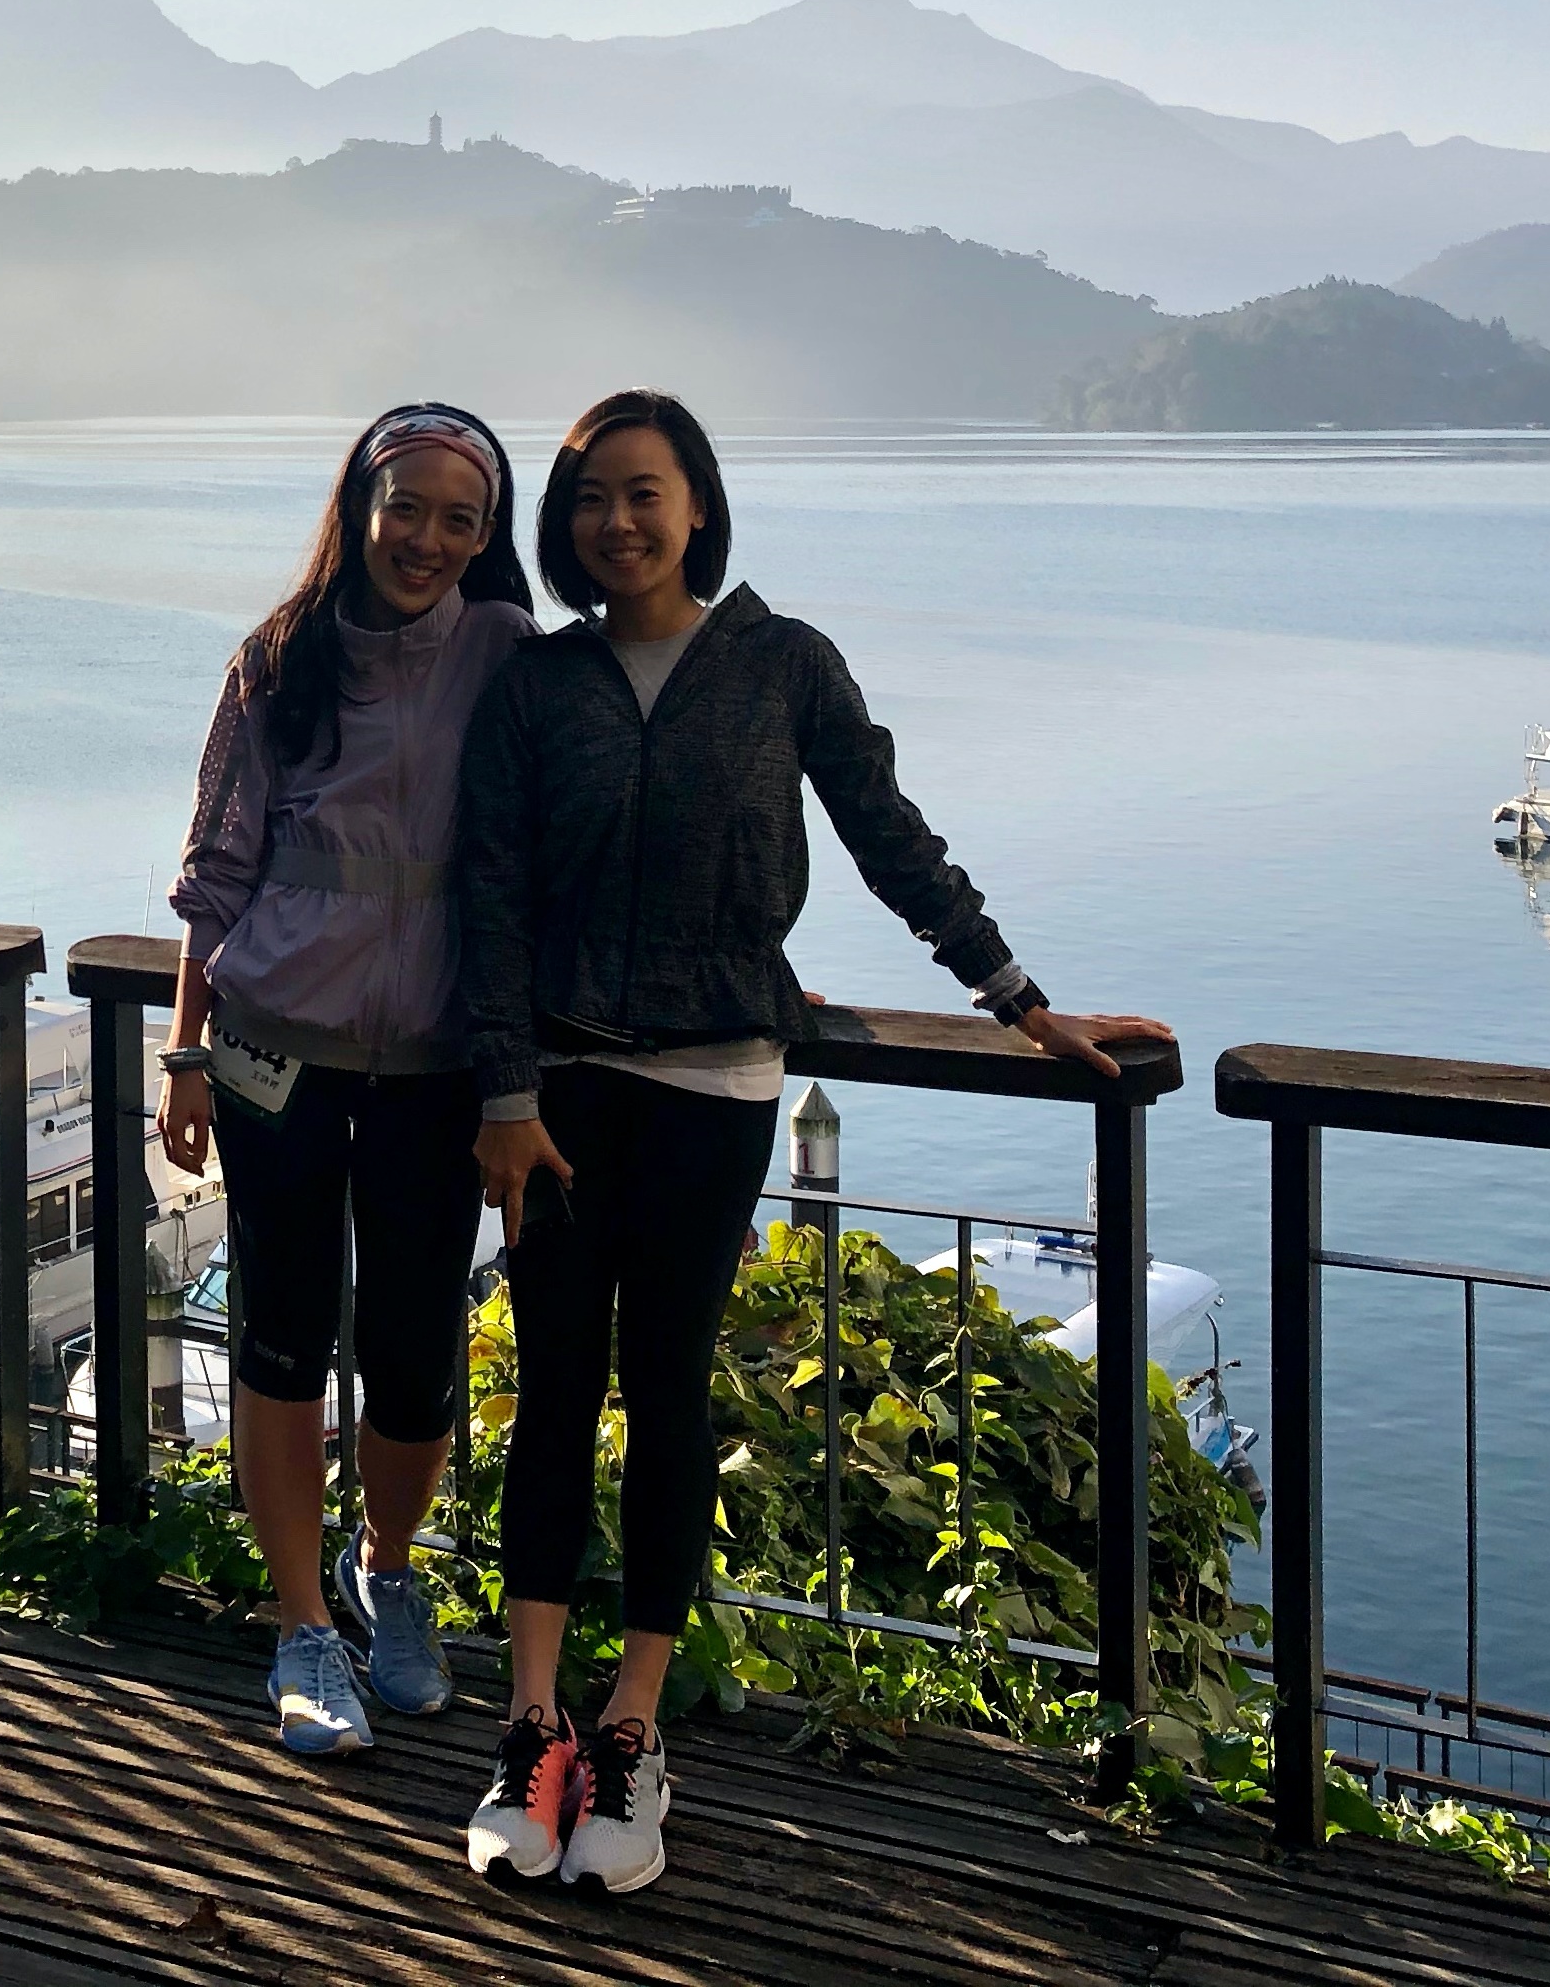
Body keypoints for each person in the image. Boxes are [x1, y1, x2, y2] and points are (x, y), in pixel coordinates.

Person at [450, 389, 1172, 1892]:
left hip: (715, 1089)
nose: (617, 522)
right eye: (589, 499)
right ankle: (530, 1726)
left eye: (644, 492)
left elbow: (888, 834)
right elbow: (492, 892)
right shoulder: (540, 683)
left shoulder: (783, 665)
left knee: (664, 1397)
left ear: (700, 505)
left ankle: (632, 1733)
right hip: (560, 1097)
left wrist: (1017, 998)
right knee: (555, 1397)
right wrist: (505, 1097)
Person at [159, 402, 536, 1756]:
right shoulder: (280, 658)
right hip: (278, 1051)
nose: (427, 539)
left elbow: (563, 849)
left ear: (487, 536)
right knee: (281, 1335)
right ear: (359, 510)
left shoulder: (511, 657)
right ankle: (301, 1625)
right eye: (406, 508)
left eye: (459, 519)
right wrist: (186, 1053)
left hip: (438, 1064)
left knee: (416, 1348)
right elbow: (216, 871)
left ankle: (386, 1569)